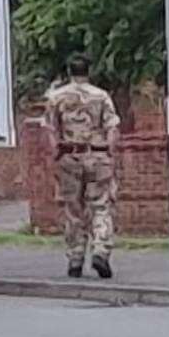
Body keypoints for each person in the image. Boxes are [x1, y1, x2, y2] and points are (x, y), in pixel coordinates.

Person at [44, 53, 121, 279]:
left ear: (69, 72)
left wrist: (56, 154)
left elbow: (50, 130)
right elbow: (112, 128)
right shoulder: (101, 96)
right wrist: (109, 152)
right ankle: (101, 250)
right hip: (97, 155)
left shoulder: (56, 97)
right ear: (88, 71)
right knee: (101, 206)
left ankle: (75, 259)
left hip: (69, 155)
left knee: (73, 209)